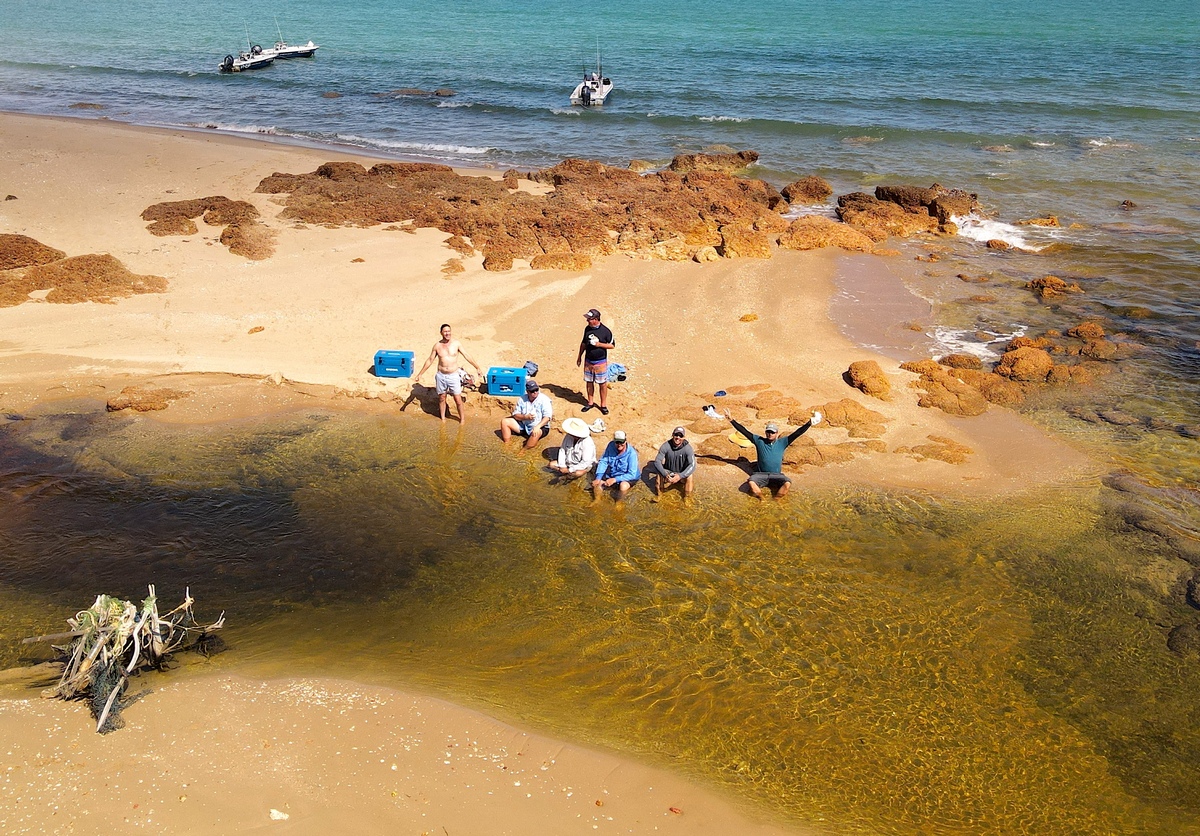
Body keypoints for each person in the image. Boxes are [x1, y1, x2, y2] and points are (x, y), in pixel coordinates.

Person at [725, 408, 823, 499]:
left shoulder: (782, 442)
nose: (770, 434)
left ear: (776, 433)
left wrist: (809, 423)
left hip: (777, 475)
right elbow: (744, 431)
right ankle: (761, 499)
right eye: (768, 432)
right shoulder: (759, 441)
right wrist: (731, 420)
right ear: (765, 432)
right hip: (761, 475)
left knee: (787, 483)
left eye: (772, 432)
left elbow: (797, 433)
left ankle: (777, 500)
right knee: (751, 482)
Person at [414, 323, 483, 423]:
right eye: (445, 331)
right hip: (441, 376)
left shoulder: (456, 344)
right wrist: (420, 374)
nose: (447, 333)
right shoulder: (437, 346)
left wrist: (477, 367)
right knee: (442, 398)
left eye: (449, 331)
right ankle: (443, 419)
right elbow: (430, 360)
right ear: (441, 333)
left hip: (453, 375)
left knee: (457, 399)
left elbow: (466, 355)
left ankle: (462, 420)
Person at [576, 308, 614, 415]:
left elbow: (612, 345)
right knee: (589, 382)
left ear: (596, 319)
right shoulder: (587, 329)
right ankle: (590, 402)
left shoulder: (605, 331)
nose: (587, 321)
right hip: (588, 361)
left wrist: (599, 345)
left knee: (602, 384)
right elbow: (583, 343)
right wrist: (579, 356)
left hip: (600, 362)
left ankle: (603, 405)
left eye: (589, 319)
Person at [500, 379, 554, 449]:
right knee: (504, 422)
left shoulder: (544, 400)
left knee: (536, 433)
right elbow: (516, 415)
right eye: (532, 391)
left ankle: (524, 450)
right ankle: (507, 444)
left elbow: (547, 417)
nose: (535, 392)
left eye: (536, 390)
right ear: (527, 391)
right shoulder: (522, 399)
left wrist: (538, 427)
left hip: (539, 426)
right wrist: (525, 417)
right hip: (524, 425)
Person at [592, 430, 639, 501]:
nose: (619, 444)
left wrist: (615, 479)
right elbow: (604, 461)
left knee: (623, 486)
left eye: (621, 442)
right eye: (617, 442)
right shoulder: (610, 446)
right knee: (598, 483)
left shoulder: (632, 454)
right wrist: (598, 477)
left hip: (626, 476)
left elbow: (632, 474)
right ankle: (596, 501)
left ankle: (619, 502)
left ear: (625, 441)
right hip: (613, 473)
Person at [652, 426, 696, 501]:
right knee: (659, 474)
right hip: (668, 473)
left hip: (681, 474)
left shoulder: (688, 448)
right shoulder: (666, 446)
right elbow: (657, 462)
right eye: (676, 435)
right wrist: (665, 474)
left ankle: (687, 497)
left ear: (684, 437)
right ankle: (659, 494)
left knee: (690, 476)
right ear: (672, 435)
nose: (678, 437)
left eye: (681, 436)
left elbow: (692, 465)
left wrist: (680, 476)